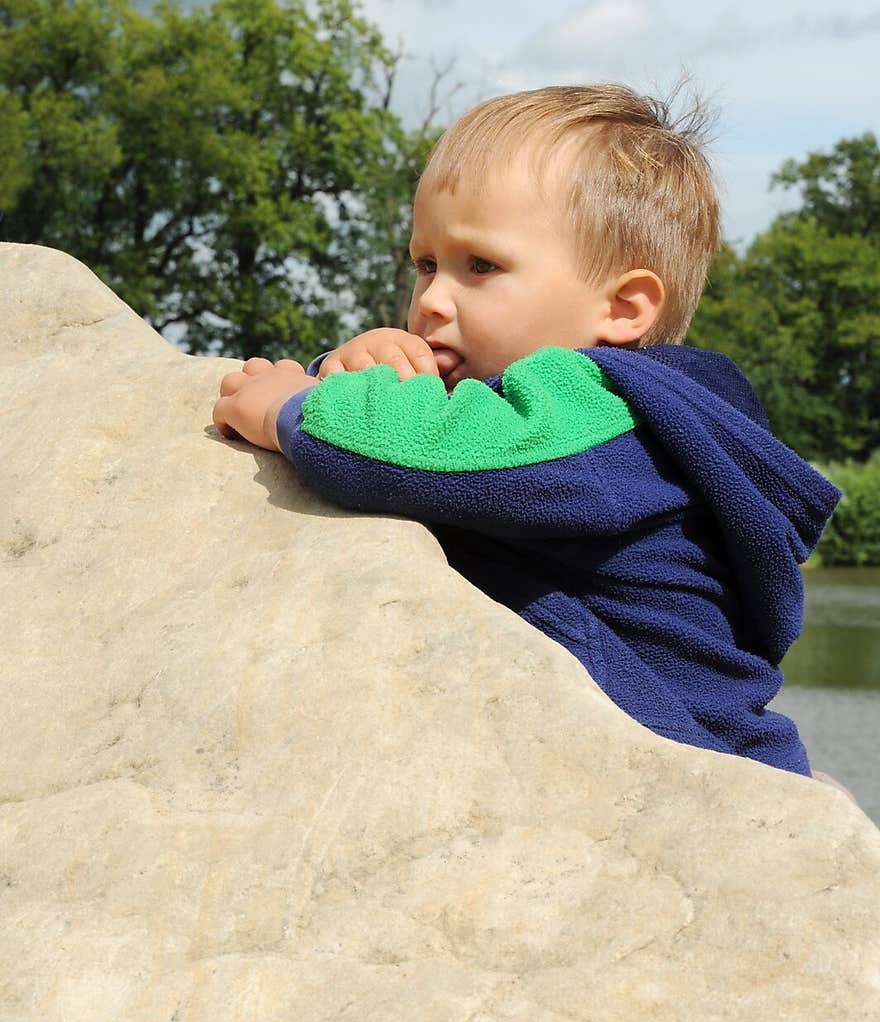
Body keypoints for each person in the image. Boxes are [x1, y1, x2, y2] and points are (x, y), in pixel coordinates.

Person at [213, 83, 843, 780]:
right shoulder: (548, 416)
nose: (431, 301)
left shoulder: (607, 411)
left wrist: (290, 407)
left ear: (623, 307)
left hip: (691, 768)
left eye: (480, 266)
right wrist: (354, 366)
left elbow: (421, 457)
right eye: (425, 264)